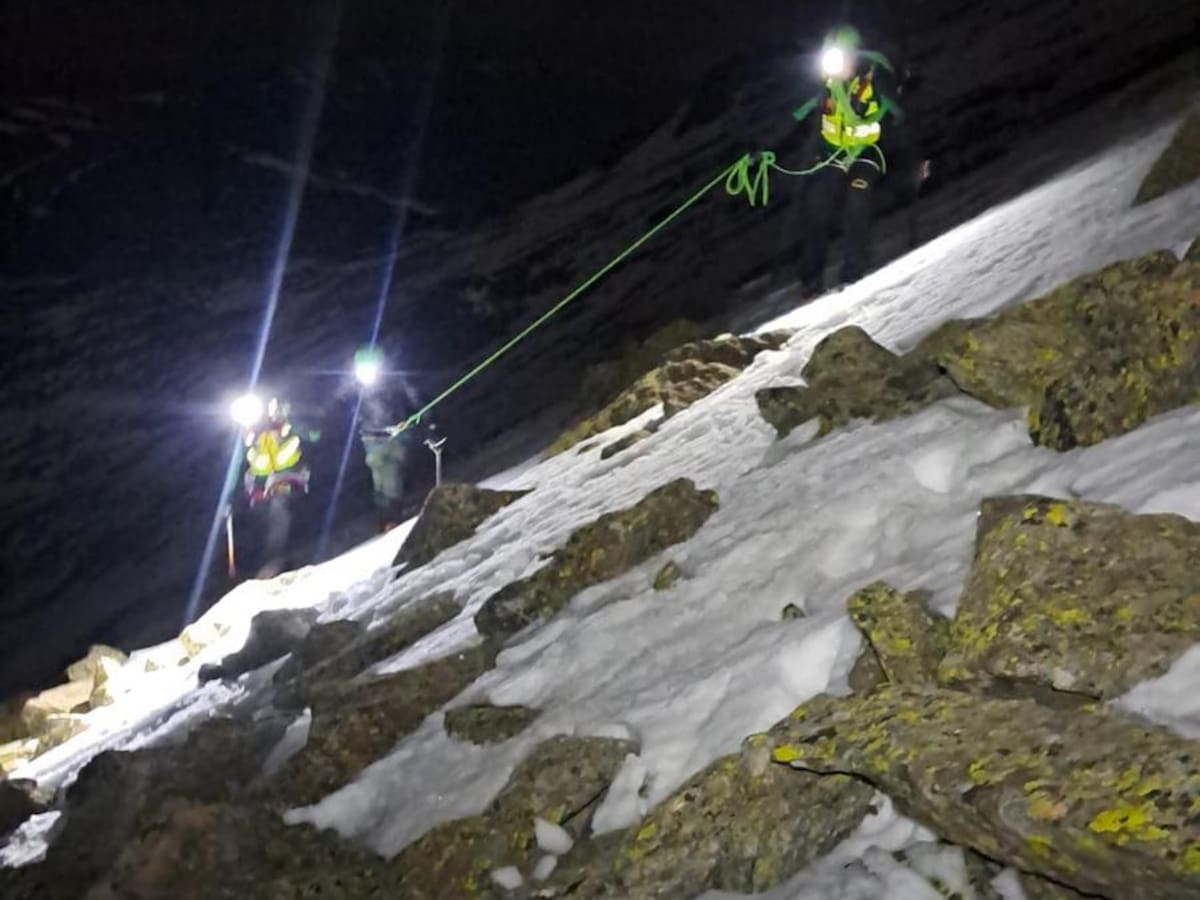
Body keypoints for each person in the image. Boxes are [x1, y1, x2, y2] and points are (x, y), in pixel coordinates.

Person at [791, 25, 910, 296]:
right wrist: (760, 150)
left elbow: (899, 117)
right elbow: (794, 119)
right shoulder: (827, 86)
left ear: (854, 56)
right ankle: (810, 282)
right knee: (817, 206)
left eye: (842, 57)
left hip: (867, 153)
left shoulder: (875, 78)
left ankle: (853, 274)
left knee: (857, 201)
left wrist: (911, 156)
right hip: (834, 155)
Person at [241, 397, 315, 575]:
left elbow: (314, 434)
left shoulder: (291, 429)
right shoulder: (256, 436)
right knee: (260, 516)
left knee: (280, 508)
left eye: (279, 410)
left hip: (292, 480)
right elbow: (244, 466)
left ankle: (275, 560)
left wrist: (297, 425)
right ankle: (261, 562)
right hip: (263, 486)